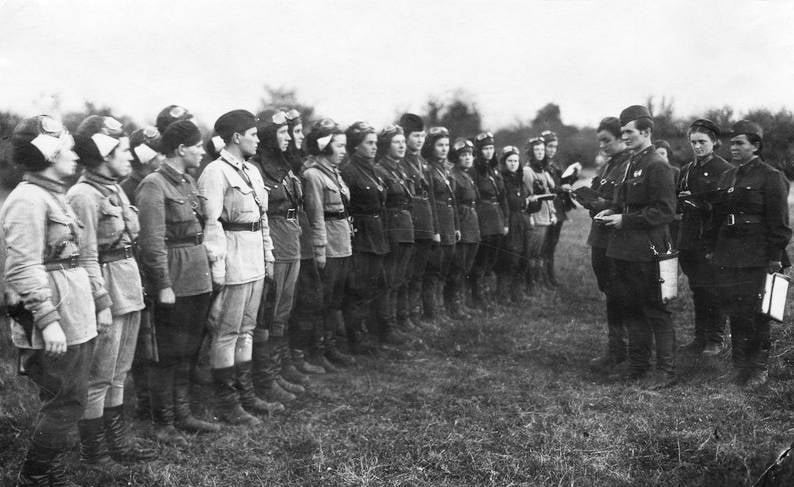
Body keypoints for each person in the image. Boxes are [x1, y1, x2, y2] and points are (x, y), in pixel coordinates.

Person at [1, 115, 98, 485]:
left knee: (69, 395)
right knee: (64, 398)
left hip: (71, 307)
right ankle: (38, 474)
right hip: (54, 312)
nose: (75, 156)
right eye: (67, 150)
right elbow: (22, 268)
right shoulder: (27, 200)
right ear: (48, 154)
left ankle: (45, 467)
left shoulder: (51, 194)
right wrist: (48, 319)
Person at [68, 115, 156, 469]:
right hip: (105, 286)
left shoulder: (114, 188)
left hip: (127, 281)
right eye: (122, 150)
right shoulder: (83, 196)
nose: (130, 157)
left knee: (119, 371)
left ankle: (117, 442)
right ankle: (94, 452)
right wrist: (101, 301)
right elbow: (86, 255)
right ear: (104, 155)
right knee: (99, 374)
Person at [136, 120, 221, 447]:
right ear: (181, 149)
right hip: (174, 277)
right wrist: (163, 284)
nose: (202, 150)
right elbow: (152, 242)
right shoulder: (154, 185)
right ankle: (164, 423)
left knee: (189, 349)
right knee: (167, 353)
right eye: (197, 145)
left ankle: (183, 414)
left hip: (197, 275)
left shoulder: (188, 182)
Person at [198, 109, 279, 426]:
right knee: (226, 332)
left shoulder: (253, 171)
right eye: (253, 134)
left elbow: (263, 220)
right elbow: (211, 223)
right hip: (232, 259)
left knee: (246, 329)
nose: (258, 140)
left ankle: (246, 395)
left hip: (254, 257)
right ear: (236, 137)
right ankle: (227, 402)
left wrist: (268, 255)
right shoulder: (215, 173)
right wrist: (217, 265)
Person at [595, 105, 677, 389]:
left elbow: (665, 211)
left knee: (656, 309)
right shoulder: (632, 162)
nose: (625, 136)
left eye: (629, 132)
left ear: (646, 132)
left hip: (649, 251)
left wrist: (626, 219)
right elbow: (625, 200)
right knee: (633, 309)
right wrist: (612, 211)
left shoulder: (657, 164)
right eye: (623, 132)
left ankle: (665, 371)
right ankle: (639, 366)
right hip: (627, 251)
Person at [708, 120, 791, 388]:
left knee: (758, 312)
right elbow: (717, 217)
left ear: (755, 146)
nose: (733, 147)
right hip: (729, 255)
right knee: (735, 309)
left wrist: (774, 258)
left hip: (758, 256)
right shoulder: (727, 177)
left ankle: (758, 369)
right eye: (731, 143)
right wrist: (712, 249)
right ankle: (739, 366)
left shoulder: (771, 176)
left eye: (739, 143)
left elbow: (779, 223)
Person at [249, 111, 320, 408]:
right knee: (268, 312)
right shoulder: (255, 168)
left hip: (291, 241)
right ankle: (264, 379)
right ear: (268, 136)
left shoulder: (286, 167)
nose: (288, 138)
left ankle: (276, 372)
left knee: (283, 311)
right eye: (282, 133)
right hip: (273, 243)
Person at [579, 117, 632, 373]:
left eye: (607, 140)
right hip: (600, 237)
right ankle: (617, 348)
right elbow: (600, 194)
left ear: (622, 138)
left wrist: (598, 203)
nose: (602, 146)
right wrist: (587, 199)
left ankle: (621, 351)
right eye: (599, 141)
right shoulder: (609, 165)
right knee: (610, 291)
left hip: (617, 239)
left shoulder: (629, 165)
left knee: (619, 294)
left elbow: (621, 204)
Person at [119, 125, 164, 423]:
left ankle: (158, 399)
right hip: (136, 268)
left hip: (154, 264)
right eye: (156, 149)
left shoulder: (154, 181)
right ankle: (146, 402)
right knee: (143, 340)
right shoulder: (128, 187)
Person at [676, 120, 733, 356]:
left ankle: (716, 339)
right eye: (693, 142)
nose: (697, 146)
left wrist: (699, 201)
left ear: (715, 142)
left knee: (714, 289)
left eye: (702, 142)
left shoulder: (725, 170)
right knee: (698, 289)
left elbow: (725, 207)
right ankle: (700, 338)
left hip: (712, 239)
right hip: (689, 238)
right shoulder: (686, 169)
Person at [340, 121, 399, 348]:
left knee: (378, 285)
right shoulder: (349, 171)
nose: (375, 147)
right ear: (356, 146)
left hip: (377, 233)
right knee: (359, 288)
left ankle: (380, 331)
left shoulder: (372, 169)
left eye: (376, 143)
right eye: (369, 143)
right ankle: (358, 336)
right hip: (362, 236)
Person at [302, 119, 356, 353]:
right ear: (325, 146)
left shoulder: (335, 173)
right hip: (329, 246)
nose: (344, 151)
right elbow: (316, 216)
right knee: (323, 299)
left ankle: (333, 345)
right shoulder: (313, 175)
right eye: (339, 146)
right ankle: (320, 349)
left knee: (336, 298)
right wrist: (320, 249)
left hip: (343, 242)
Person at [374, 124, 416, 337]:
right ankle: (387, 325)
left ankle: (397, 320)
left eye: (402, 142)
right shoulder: (380, 169)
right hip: (393, 227)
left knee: (400, 276)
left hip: (405, 226)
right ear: (386, 145)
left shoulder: (400, 169)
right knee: (389, 278)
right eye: (396, 142)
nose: (402, 145)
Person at [399, 113, 436, 328]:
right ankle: (404, 317)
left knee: (419, 273)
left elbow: (429, 198)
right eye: (415, 135)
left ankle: (415, 314)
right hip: (410, 224)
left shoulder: (423, 163)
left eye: (422, 135)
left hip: (425, 224)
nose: (420, 140)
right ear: (405, 137)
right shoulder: (402, 163)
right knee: (406, 273)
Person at [422, 127, 459, 323]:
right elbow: (432, 202)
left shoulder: (447, 168)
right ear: (431, 147)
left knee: (446, 268)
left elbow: (453, 199)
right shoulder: (428, 169)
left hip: (450, 223)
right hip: (438, 224)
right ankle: (432, 312)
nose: (444, 149)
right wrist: (435, 230)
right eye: (439, 145)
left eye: (446, 145)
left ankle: (442, 308)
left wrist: (457, 226)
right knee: (434, 270)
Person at [470, 131, 508, 311]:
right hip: (483, 217)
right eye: (485, 148)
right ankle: (478, 296)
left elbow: (502, 196)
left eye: (491, 148)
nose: (489, 152)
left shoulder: (494, 170)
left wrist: (505, 221)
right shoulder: (474, 170)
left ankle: (486, 292)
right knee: (482, 257)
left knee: (492, 258)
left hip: (497, 217)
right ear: (478, 151)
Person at [448, 138, 480, 319]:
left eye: (470, 155)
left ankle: (461, 303)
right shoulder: (453, 176)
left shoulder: (467, 175)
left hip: (472, 225)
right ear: (456, 157)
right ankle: (454, 305)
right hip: (462, 223)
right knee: (458, 268)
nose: (468, 158)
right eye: (463, 155)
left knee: (466, 267)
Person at [497, 146, 532, 303]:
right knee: (510, 259)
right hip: (511, 220)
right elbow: (507, 201)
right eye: (510, 161)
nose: (513, 164)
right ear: (504, 162)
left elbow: (524, 199)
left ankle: (518, 293)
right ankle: (503, 295)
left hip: (523, 221)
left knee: (524, 257)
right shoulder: (502, 179)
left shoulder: (520, 179)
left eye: (516, 161)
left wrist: (530, 202)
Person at [540, 130, 575, 287]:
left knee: (552, 244)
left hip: (558, 208)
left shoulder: (554, 164)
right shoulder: (539, 165)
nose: (552, 149)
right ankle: (544, 278)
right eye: (549, 146)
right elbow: (546, 188)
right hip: (547, 209)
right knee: (544, 245)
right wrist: (562, 188)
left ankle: (550, 277)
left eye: (554, 146)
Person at [522, 137, 557, 294]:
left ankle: (538, 282)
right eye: (537, 150)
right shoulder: (528, 171)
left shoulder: (542, 169)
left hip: (546, 216)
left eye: (542, 150)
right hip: (535, 216)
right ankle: (531, 285)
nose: (540, 153)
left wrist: (553, 212)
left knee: (540, 253)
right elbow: (529, 195)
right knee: (533, 253)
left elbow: (549, 191)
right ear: (531, 152)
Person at [654, 139, 683, 245]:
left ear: (668, 155)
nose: (660, 157)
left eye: (662, 153)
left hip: (672, 218)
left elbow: (678, 194)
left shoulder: (675, 171)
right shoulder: (650, 172)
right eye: (657, 154)